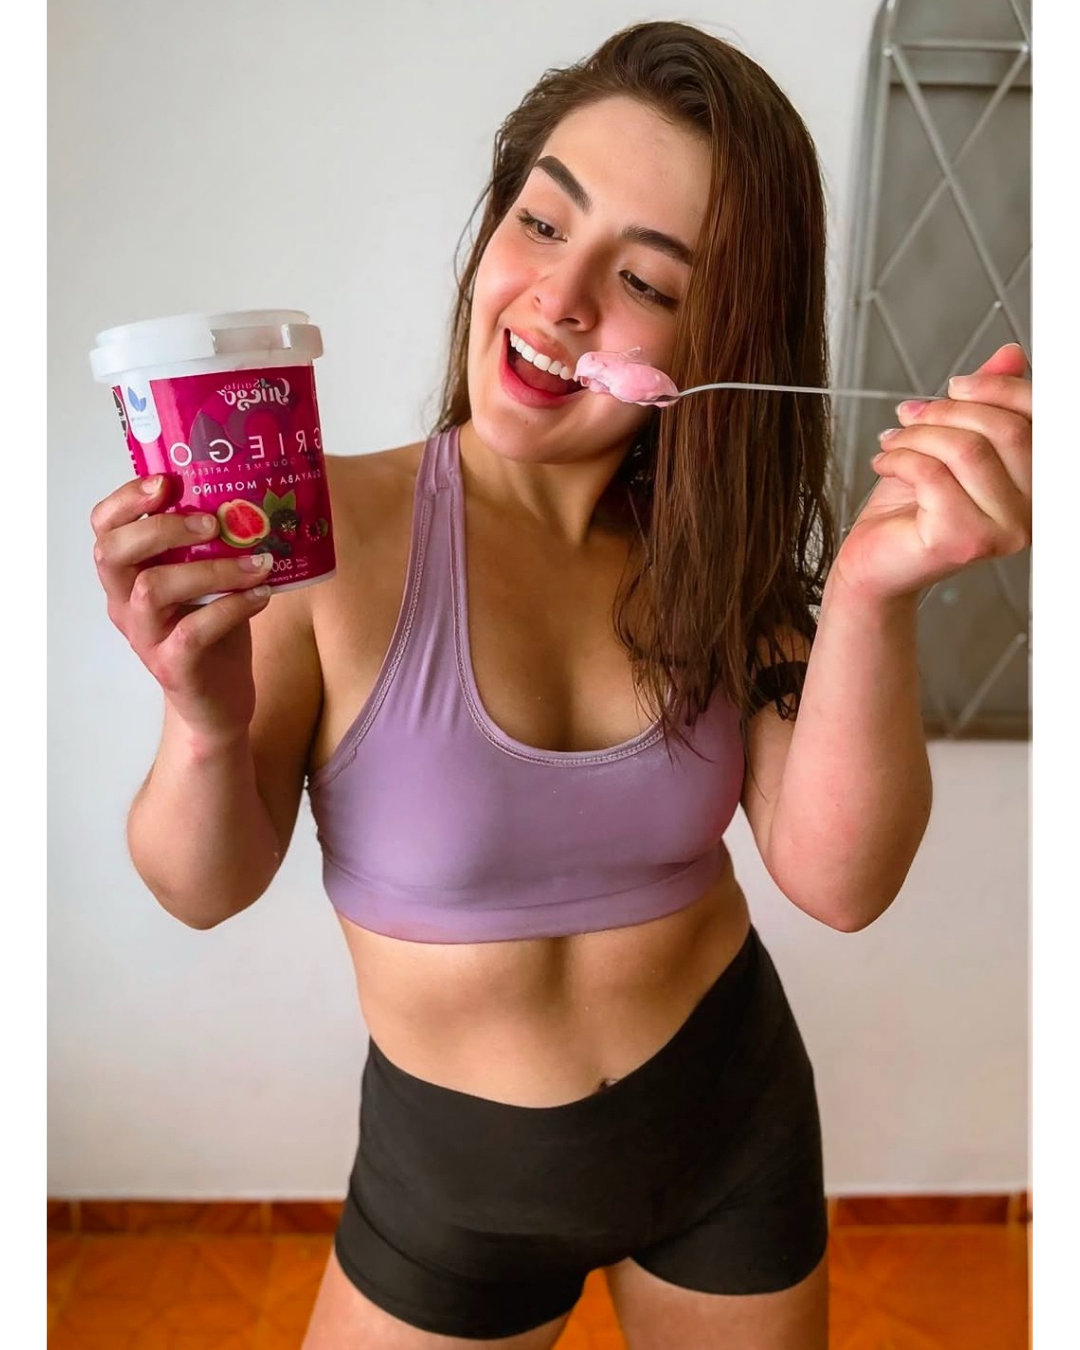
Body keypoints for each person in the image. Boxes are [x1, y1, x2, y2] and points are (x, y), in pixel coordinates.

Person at [89, 20, 1032, 1350]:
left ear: (716, 336)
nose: (562, 296)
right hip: (450, 1192)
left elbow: (842, 882)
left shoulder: (724, 570)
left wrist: (877, 591)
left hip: (730, 1132)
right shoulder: (320, 541)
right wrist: (201, 720)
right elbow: (202, 886)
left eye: (645, 278)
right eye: (541, 221)